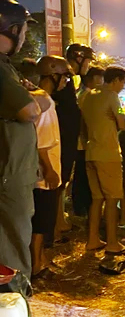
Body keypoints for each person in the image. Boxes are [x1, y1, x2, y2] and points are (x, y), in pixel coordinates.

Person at [0, 0, 52, 317]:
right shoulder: (1, 69)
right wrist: (41, 100)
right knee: (13, 251)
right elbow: (28, 110)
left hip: (9, 174)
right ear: (12, 30)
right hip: (7, 180)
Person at [79, 66, 125, 255]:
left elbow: (83, 126)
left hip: (90, 152)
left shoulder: (87, 96)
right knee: (112, 199)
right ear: (116, 80)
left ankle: (92, 239)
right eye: (123, 83)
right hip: (108, 154)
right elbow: (122, 124)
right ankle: (112, 243)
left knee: (96, 198)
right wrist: (120, 116)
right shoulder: (112, 96)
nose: (123, 87)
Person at [31, 56, 71, 278]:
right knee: (41, 223)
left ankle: (42, 260)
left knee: (44, 221)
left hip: (45, 170)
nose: (66, 81)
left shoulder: (45, 100)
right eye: (64, 76)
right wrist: (50, 170)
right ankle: (37, 265)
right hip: (43, 173)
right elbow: (41, 142)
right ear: (52, 75)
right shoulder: (44, 103)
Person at [53, 43, 94, 234]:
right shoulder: (64, 81)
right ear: (79, 58)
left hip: (66, 139)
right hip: (60, 140)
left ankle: (59, 220)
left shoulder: (70, 82)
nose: (88, 66)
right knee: (59, 182)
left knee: (63, 181)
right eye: (87, 61)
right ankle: (56, 223)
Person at [70, 65, 104, 221]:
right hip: (84, 143)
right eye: (100, 77)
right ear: (94, 78)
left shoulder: (82, 93)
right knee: (83, 177)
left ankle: (80, 207)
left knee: (81, 176)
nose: (102, 81)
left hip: (82, 142)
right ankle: (82, 208)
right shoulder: (88, 95)